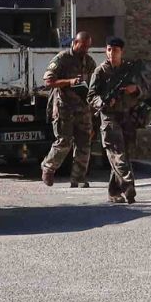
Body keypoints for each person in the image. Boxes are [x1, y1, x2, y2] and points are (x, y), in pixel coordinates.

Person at [89, 37, 147, 204]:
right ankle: (128, 185)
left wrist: (135, 89)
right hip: (109, 117)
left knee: (125, 155)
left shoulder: (130, 69)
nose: (111, 53)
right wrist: (103, 102)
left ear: (121, 52)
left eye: (115, 50)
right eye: (108, 50)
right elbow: (91, 96)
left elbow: (146, 89)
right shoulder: (100, 72)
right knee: (117, 153)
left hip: (127, 116)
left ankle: (114, 192)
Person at [40, 31, 96, 189]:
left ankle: (78, 177)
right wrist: (69, 82)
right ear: (75, 43)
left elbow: (94, 83)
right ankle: (48, 167)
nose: (85, 49)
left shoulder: (89, 62)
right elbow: (48, 81)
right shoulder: (62, 59)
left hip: (83, 108)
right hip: (65, 107)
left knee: (84, 143)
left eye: (88, 46)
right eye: (83, 45)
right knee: (64, 142)